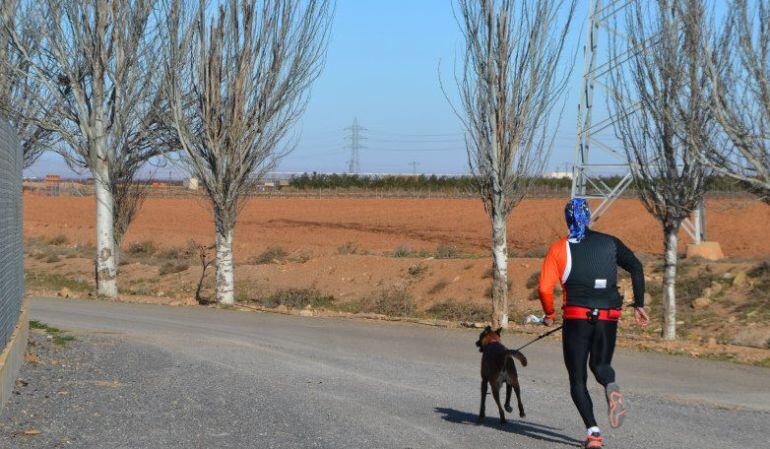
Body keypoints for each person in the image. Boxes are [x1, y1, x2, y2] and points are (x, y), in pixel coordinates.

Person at [537, 198, 649, 449]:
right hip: (609, 315)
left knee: (577, 378)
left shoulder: (559, 248)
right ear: (588, 217)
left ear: (567, 219)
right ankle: (610, 385)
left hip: (577, 316)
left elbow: (544, 288)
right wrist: (639, 304)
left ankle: (594, 433)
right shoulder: (610, 242)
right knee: (601, 366)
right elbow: (636, 266)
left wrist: (550, 315)